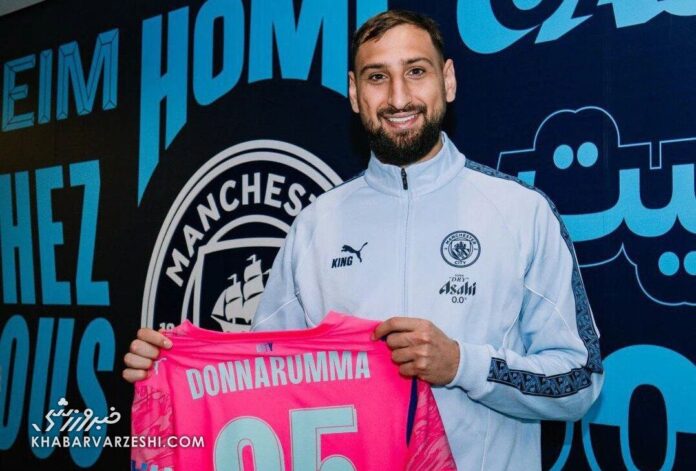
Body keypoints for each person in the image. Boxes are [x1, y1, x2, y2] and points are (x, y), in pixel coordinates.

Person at [124, 10, 603, 469]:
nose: (398, 97)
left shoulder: (521, 212)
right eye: (377, 77)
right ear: (354, 93)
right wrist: (176, 369)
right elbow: (260, 382)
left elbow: (581, 381)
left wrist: (462, 365)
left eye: (416, 71)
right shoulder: (314, 225)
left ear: (448, 80)